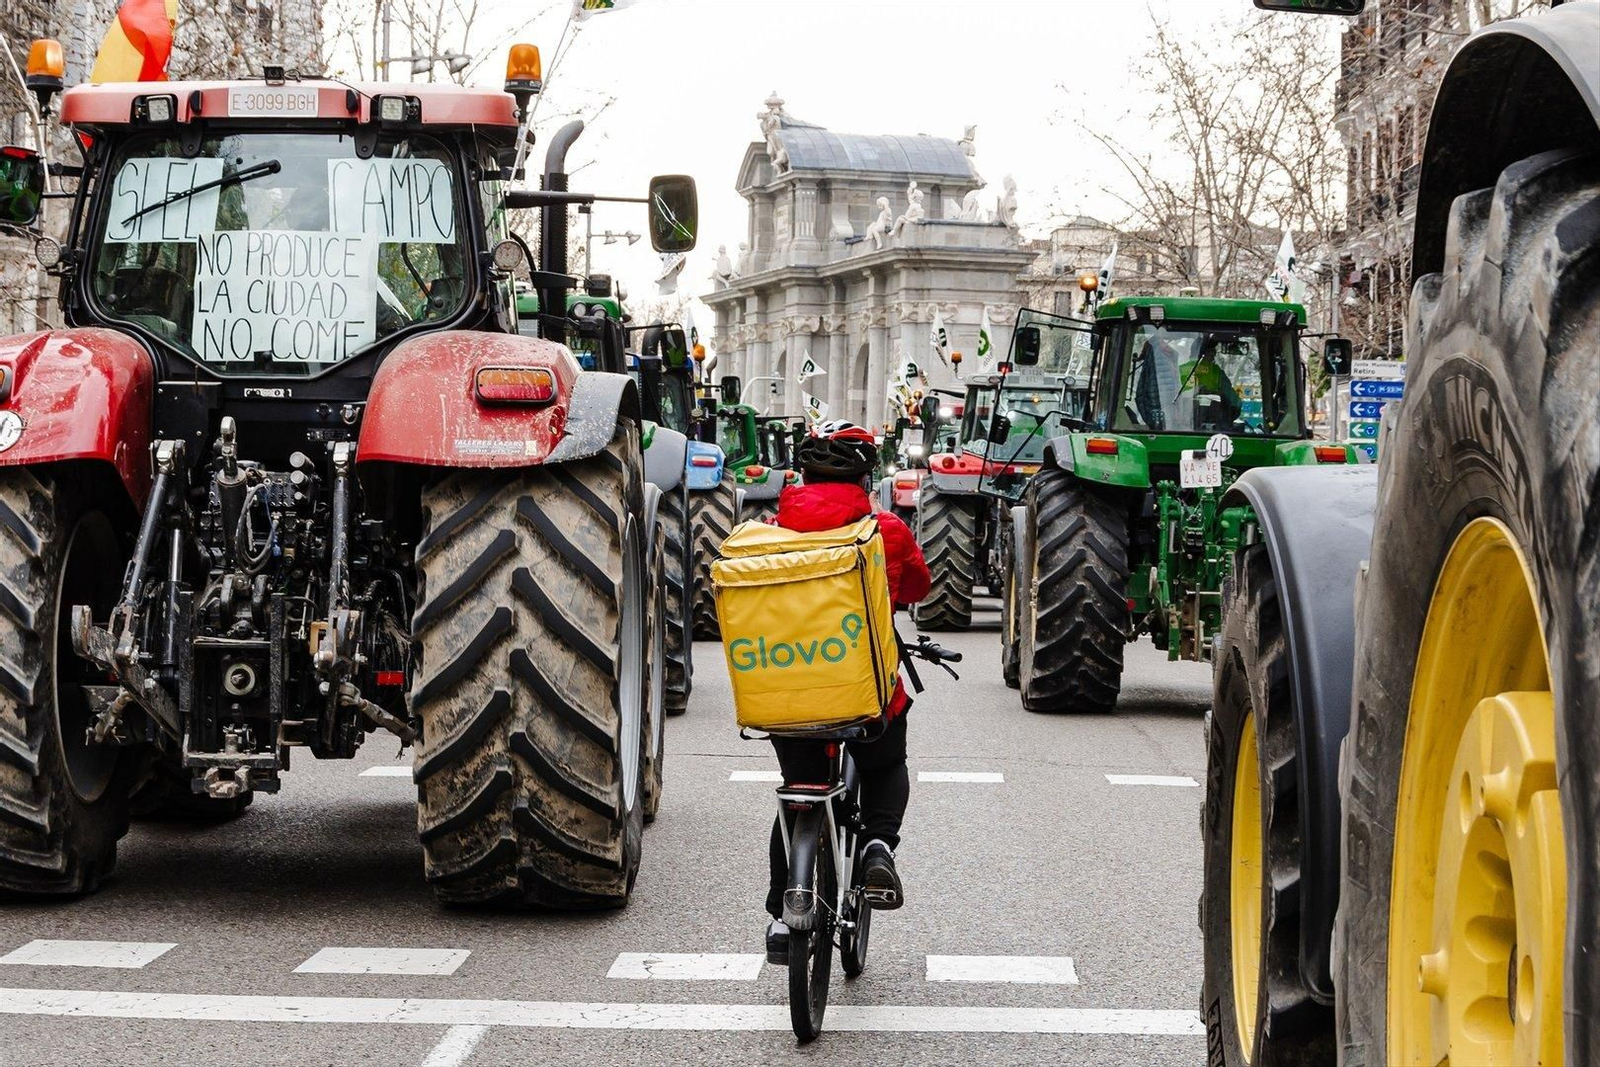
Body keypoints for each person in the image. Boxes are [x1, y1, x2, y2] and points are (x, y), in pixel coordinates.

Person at [764, 420, 931, 963]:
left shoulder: (770, 533)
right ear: (865, 479)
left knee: (799, 793)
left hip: (788, 693)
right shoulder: (886, 531)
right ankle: (878, 847)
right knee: (885, 766)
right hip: (864, 694)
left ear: (802, 477)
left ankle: (781, 913)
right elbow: (917, 587)